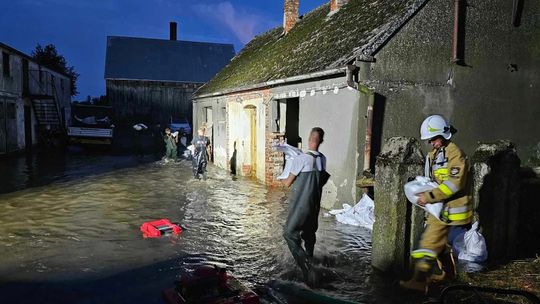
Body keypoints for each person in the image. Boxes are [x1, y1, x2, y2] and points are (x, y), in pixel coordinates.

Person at [400, 115, 472, 293]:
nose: (431, 143)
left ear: (444, 134)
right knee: (440, 245)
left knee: (427, 243)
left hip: (449, 209)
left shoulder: (456, 154)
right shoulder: (434, 155)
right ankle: (449, 276)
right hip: (439, 208)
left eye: (433, 139)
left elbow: (454, 184)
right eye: (429, 140)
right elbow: (432, 180)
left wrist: (429, 196)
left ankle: (419, 280)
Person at [282, 127, 330, 286]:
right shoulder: (323, 159)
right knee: (309, 235)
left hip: (301, 206)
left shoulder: (301, 159)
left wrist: (284, 173)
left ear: (309, 139)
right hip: (314, 206)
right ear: (321, 141)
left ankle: (307, 269)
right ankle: (310, 261)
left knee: (289, 233)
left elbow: (287, 183)